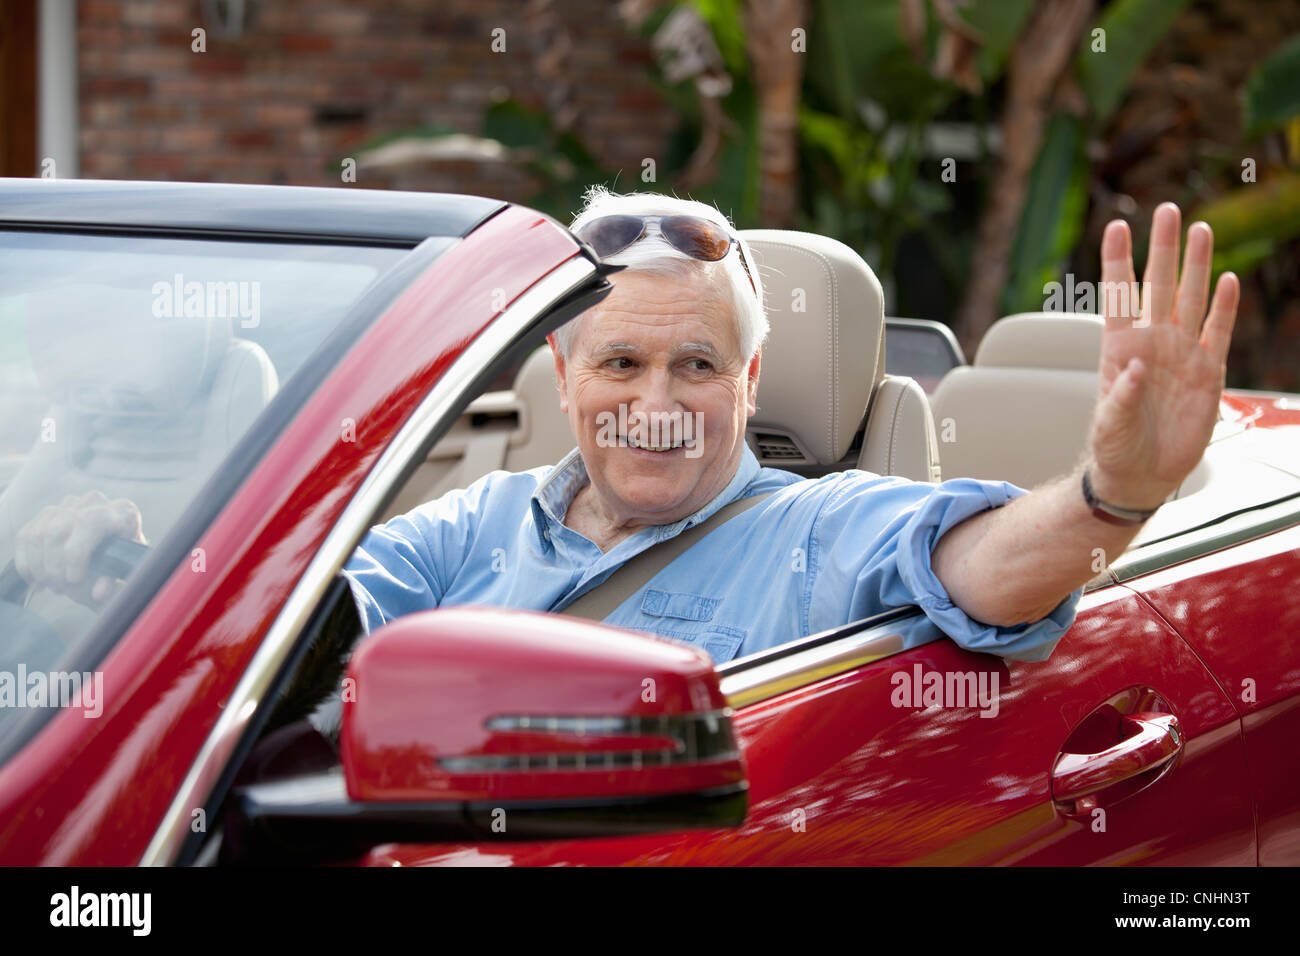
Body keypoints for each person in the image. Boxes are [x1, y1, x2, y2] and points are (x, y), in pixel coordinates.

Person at [14, 188, 1239, 665]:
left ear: (752, 379)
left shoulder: (818, 526)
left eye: (697, 363)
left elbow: (983, 566)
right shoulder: (472, 524)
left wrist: (1109, 491)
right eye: (622, 360)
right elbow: (305, 625)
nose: (656, 402)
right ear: (563, 365)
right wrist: (117, 563)